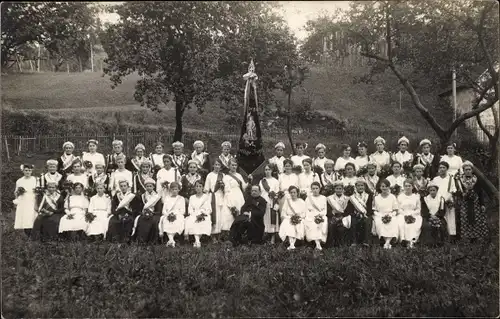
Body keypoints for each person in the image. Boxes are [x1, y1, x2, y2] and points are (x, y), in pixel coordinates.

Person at [456, 161, 488, 242]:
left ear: (472, 170)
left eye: (469, 169)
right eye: (466, 169)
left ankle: (476, 238)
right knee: (465, 219)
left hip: (475, 203)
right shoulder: (460, 180)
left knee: (477, 219)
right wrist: (462, 194)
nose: (468, 171)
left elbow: (480, 192)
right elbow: (457, 191)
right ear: (463, 170)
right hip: (465, 202)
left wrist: (482, 204)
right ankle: (467, 238)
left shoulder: (476, 179)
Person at [221, 159, 248, 238]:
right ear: (229, 166)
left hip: (239, 195)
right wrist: (230, 202)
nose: (234, 166)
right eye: (232, 165)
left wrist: (249, 181)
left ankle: (239, 233)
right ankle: (230, 235)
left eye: (235, 165)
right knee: (230, 214)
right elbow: (226, 190)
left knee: (239, 213)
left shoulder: (239, 175)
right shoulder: (226, 177)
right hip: (230, 195)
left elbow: (244, 187)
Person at [132, 178, 163, 244]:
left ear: (153, 187)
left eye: (150, 186)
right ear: (145, 187)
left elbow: (159, 209)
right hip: (144, 213)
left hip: (154, 214)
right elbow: (139, 208)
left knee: (154, 221)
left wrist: (153, 213)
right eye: (147, 186)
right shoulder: (142, 196)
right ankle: (141, 240)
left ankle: (152, 241)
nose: (149, 188)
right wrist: (143, 212)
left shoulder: (157, 197)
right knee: (141, 220)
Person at [431, 161, 457, 240]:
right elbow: (433, 190)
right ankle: (441, 236)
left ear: (447, 169)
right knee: (440, 218)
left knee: (450, 218)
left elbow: (452, 190)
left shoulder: (450, 178)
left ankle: (451, 236)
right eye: (440, 168)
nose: (442, 169)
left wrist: (445, 200)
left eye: (443, 168)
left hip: (448, 200)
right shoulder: (435, 179)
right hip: (438, 201)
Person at [346, 177, 374, 246]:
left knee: (368, 220)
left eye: (362, 185)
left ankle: (366, 241)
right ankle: (354, 241)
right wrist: (356, 213)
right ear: (355, 187)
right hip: (355, 214)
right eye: (358, 185)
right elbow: (349, 209)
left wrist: (365, 214)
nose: (360, 187)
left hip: (366, 214)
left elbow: (370, 208)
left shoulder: (369, 196)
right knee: (353, 220)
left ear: (364, 186)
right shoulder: (352, 197)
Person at [372, 179, 399, 249]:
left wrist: (391, 215)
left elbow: (395, 209)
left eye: (386, 186)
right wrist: (380, 215)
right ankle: (387, 242)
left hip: (390, 214)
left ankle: (387, 243)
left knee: (393, 222)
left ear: (389, 187)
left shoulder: (392, 197)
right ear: (380, 187)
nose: (384, 188)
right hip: (379, 215)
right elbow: (374, 209)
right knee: (380, 222)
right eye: (382, 186)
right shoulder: (376, 197)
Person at [185, 180, 212, 248]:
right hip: (194, 213)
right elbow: (190, 208)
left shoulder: (206, 197)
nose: (198, 188)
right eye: (196, 186)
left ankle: (197, 241)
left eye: (200, 186)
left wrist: (203, 213)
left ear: (203, 187)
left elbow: (209, 209)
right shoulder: (192, 197)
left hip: (203, 214)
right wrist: (193, 213)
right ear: (194, 187)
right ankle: (197, 241)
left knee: (203, 221)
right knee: (193, 220)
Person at [396, 179, 422, 248]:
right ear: (403, 187)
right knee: (401, 223)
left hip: (414, 214)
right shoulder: (400, 196)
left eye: (409, 186)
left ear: (412, 187)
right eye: (406, 186)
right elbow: (398, 208)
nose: (407, 187)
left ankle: (412, 241)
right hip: (403, 214)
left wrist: (412, 214)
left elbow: (418, 209)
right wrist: (405, 214)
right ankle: (403, 240)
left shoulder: (416, 197)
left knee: (414, 224)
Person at [204, 159, 225, 242]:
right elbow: (206, 189)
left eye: (218, 165)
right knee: (214, 215)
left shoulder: (223, 175)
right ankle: (213, 235)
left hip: (221, 196)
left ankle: (219, 235)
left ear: (220, 166)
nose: (217, 166)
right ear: (213, 166)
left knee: (221, 215)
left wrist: (223, 187)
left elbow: (226, 187)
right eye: (215, 164)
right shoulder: (209, 175)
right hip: (212, 197)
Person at [420, 182, 447, 247]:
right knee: (427, 225)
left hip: (439, 217)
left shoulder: (441, 199)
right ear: (428, 191)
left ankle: (439, 242)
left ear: (437, 190)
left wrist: (437, 216)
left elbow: (442, 210)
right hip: (428, 217)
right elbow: (424, 211)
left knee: (441, 225)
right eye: (430, 190)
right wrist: (430, 216)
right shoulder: (425, 199)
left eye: (434, 190)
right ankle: (429, 243)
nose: (432, 192)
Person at [279, 186, 306, 250]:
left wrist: (298, 218)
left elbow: (304, 213)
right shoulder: (287, 201)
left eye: (294, 192)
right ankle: (292, 243)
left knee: (299, 224)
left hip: (299, 218)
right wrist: (288, 217)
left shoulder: (301, 201)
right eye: (291, 192)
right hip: (289, 217)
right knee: (288, 223)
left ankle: (293, 243)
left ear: (297, 193)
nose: (293, 194)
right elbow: (283, 211)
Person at [326, 181, 353, 247]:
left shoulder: (347, 198)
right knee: (331, 225)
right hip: (333, 216)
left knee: (344, 226)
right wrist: (332, 215)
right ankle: (332, 244)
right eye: (337, 189)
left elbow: (349, 210)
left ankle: (343, 243)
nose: (338, 190)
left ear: (343, 189)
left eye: (340, 188)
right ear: (334, 189)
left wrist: (342, 217)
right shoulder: (329, 198)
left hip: (343, 216)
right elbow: (328, 209)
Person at [159, 182, 186, 247]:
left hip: (178, 215)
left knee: (178, 220)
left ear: (179, 190)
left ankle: (171, 240)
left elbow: (183, 211)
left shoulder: (181, 198)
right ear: (170, 190)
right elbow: (164, 210)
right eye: (173, 189)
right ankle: (171, 240)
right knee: (166, 220)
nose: (174, 191)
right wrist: (168, 214)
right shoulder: (167, 198)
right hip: (168, 214)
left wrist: (175, 214)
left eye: (176, 189)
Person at [259, 163, 280, 243]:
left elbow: (277, 192)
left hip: (272, 201)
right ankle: (265, 235)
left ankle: (273, 237)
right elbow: (260, 191)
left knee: (272, 218)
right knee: (265, 218)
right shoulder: (262, 181)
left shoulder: (275, 181)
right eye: (266, 170)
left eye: (269, 170)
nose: (267, 171)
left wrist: (274, 196)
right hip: (264, 200)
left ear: (272, 171)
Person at [304, 182, 328, 250]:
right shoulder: (308, 198)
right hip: (311, 215)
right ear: (311, 189)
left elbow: (325, 211)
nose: (315, 190)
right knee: (311, 222)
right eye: (313, 188)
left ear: (319, 189)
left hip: (321, 215)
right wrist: (313, 216)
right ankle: (317, 243)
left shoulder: (323, 198)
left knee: (323, 221)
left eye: (316, 188)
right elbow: (306, 210)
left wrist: (319, 215)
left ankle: (319, 242)